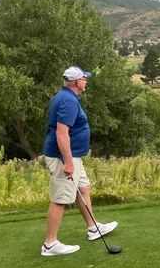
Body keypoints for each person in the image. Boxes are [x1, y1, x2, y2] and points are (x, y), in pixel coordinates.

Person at [41, 66, 118, 256]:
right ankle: (50, 244)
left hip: (72, 155)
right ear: (77, 82)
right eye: (84, 79)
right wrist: (67, 162)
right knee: (61, 197)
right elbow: (62, 134)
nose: (86, 81)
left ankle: (93, 228)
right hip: (64, 156)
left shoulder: (67, 96)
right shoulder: (68, 101)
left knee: (83, 189)